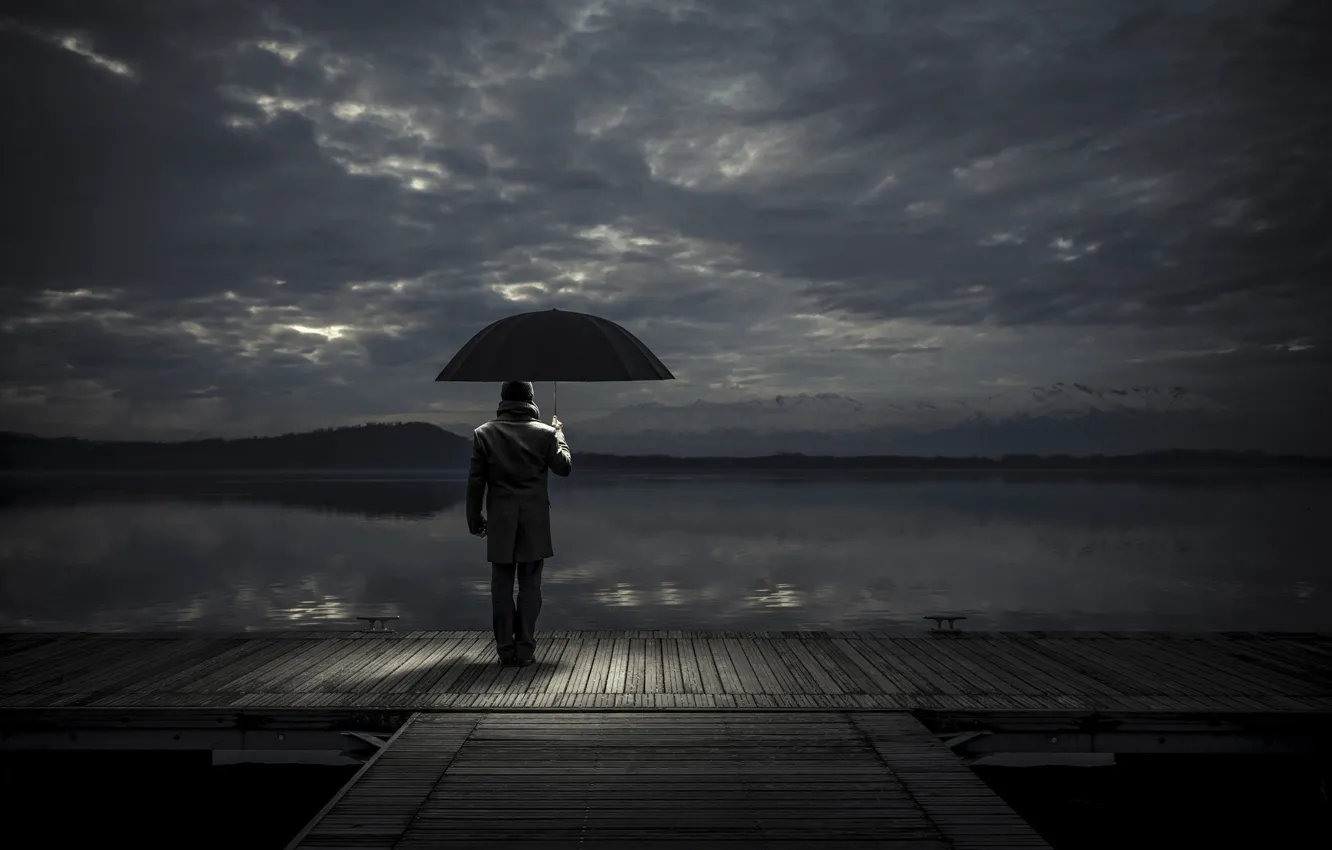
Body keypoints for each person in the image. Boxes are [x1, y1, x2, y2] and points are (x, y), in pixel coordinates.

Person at [466, 380, 572, 667]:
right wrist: (560, 435)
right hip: (534, 522)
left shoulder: (484, 434)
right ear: (531, 399)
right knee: (530, 586)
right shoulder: (546, 434)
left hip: (500, 520)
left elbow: (476, 483)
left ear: (503, 399)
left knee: (500, 586)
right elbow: (564, 468)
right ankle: (525, 649)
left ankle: (504, 650)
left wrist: (474, 519)